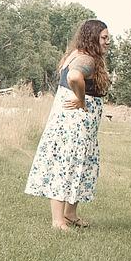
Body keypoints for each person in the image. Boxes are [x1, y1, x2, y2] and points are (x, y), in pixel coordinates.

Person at [24, 18, 111, 231]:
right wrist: (81, 99)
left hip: (75, 125)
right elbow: (74, 77)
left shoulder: (75, 53)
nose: (108, 41)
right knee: (66, 165)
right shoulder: (86, 59)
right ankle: (58, 220)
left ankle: (70, 214)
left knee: (78, 165)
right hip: (74, 125)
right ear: (93, 38)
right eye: (104, 38)